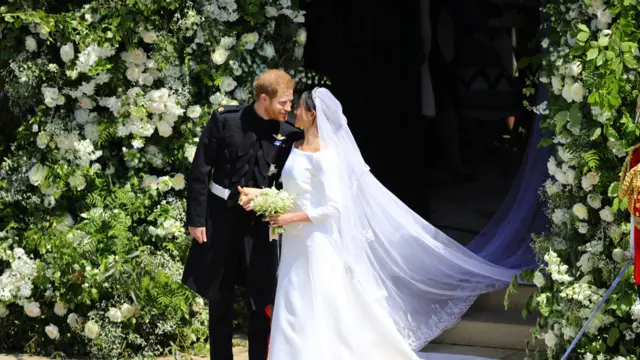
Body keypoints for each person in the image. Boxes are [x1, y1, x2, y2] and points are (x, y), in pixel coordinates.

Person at [239, 88, 518, 359]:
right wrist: (262, 196)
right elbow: (295, 193)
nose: (294, 112)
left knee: (315, 301)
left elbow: (335, 207)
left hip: (316, 242)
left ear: (312, 114)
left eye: (299, 107)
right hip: (295, 242)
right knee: (293, 302)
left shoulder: (328, 156)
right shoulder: (296, 146)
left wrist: (290, 218)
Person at [181, 69, 303, 360]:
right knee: (218, 298)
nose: (289, 108)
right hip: (219, 221)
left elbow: (293, 183)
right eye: (283, 102)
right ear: (264, 98)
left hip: (259, 227)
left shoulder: (289, 135)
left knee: (260, 301)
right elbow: (200, 170)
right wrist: (196, 220)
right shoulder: (225, 120)